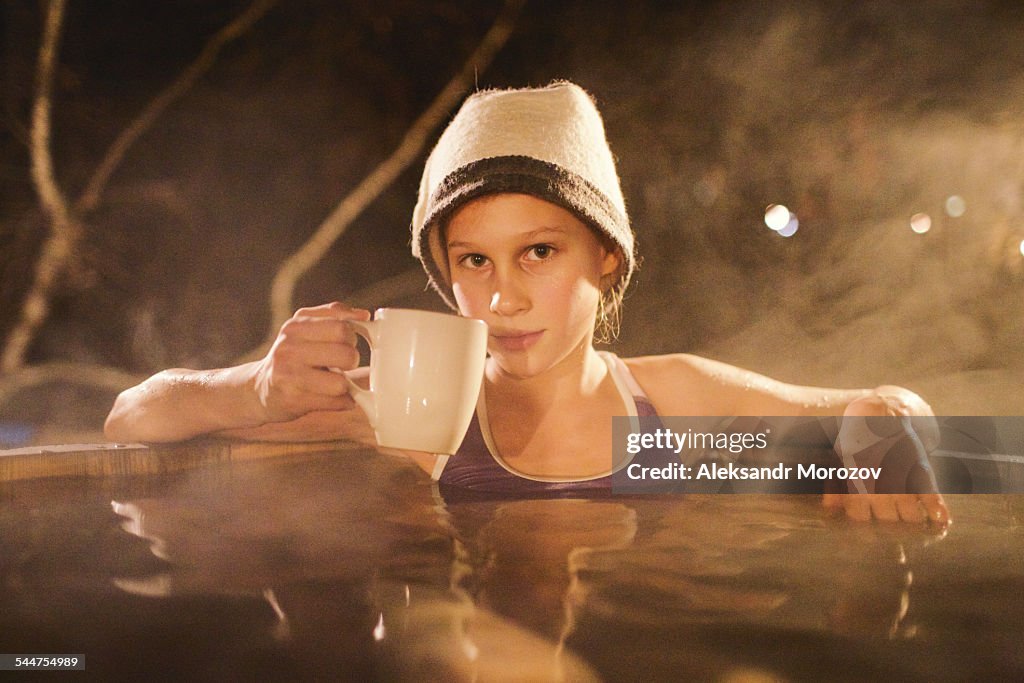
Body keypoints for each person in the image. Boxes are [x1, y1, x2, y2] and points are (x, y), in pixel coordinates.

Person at [104, 81, 949, 525]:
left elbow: (922, 430)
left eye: (539, 251)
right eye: (473, 259)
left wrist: (888, 411)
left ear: (606, 259)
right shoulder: (423, 419)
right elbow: (130, 421)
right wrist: (253, 388)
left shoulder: (663, 414)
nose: (503, 294)